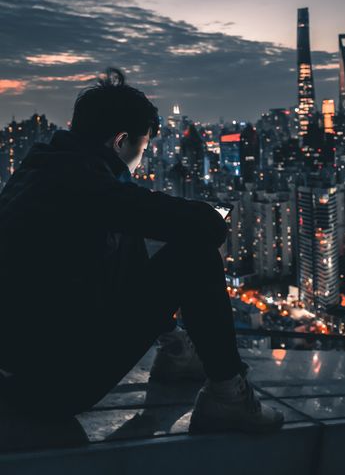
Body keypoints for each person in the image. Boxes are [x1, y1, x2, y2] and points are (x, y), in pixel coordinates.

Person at [0, 67, 284, 435]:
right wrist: (207, 214)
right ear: (120, 142)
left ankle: (177, 350)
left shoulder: (39, 171)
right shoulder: (87, 187)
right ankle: (228, 396)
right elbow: (207, 228)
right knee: (194, 254)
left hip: (16, 372)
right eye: (143, 147)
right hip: (46, 389)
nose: (142, 159)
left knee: (131, 229)